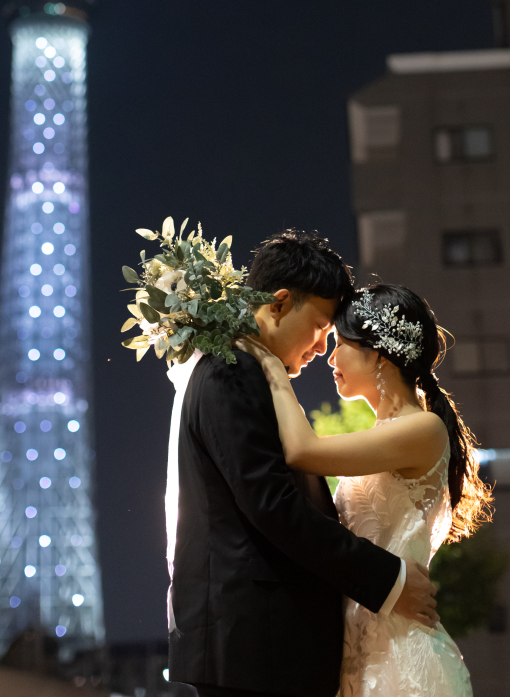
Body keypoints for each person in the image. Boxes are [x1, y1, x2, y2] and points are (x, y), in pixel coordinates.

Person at [167, 231, 438, 697]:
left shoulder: (246, 370)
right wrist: (387, 579)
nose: (321, 348)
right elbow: (272, 504)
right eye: (319, 327)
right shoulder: (232, 371)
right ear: (279, 304)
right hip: (256, 644)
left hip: (266, 647)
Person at [241, 282, 493, 697]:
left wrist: (270, 364)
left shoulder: (423, 428)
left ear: (376, 353)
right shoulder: (384, 435)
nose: (330, 357)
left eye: (341, 344)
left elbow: (303, 450)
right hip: (358, 653)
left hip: (404, 659)